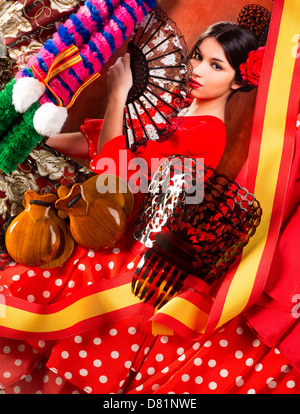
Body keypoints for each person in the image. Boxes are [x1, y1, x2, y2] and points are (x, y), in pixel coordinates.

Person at [1, 20, 299, 395]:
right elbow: (90, 144)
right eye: (197, 57)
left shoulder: (207, 134)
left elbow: (112, 174)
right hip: (100, 229)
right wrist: (32, 126)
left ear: (239, 81)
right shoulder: (170, 115)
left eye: (216, 65)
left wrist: (116, 97)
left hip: (128, 256)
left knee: (53, 346)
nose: (197, 70)